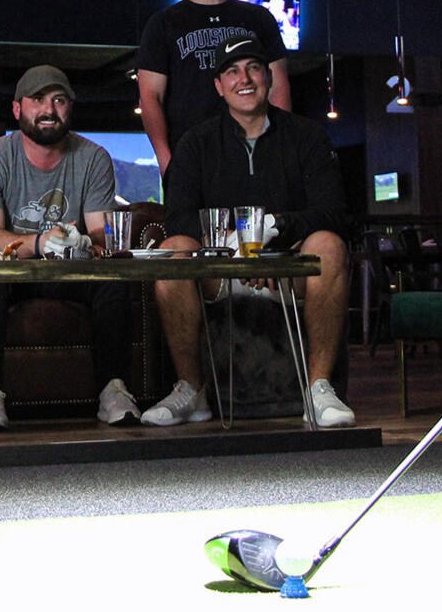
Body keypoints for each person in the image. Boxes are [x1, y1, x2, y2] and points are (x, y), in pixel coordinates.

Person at [143, 34, 355, 428]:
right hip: (218, 268)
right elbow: (180, 217)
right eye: (232, 71)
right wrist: (231, 248)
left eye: (254, 68)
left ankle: (320, 389)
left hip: (286, 268)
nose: (245, 78)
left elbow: (332, 212)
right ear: (219, 86)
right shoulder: (195, 143)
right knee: (174, 249)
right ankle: (192, 390)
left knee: (329, 244)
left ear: (269, 79)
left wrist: (271, 236)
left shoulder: (307, 136)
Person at [0, 64, 140, 430]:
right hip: (12, 269)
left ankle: (114, 388)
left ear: (70, 108)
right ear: (17, 109)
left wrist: (86, 241)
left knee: (113, 277)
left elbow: (100, 232)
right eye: (37, 100)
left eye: (59, 100)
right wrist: (40, 242)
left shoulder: (93, 158)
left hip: (69, 269)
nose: (48, 109)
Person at [136, 0, 292, 178]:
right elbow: (150, 97)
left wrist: (280, 148)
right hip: (190, 158)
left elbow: (279, 87)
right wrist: (166, 161)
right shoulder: (163, 23)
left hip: (256, 153)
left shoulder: (259, 18)